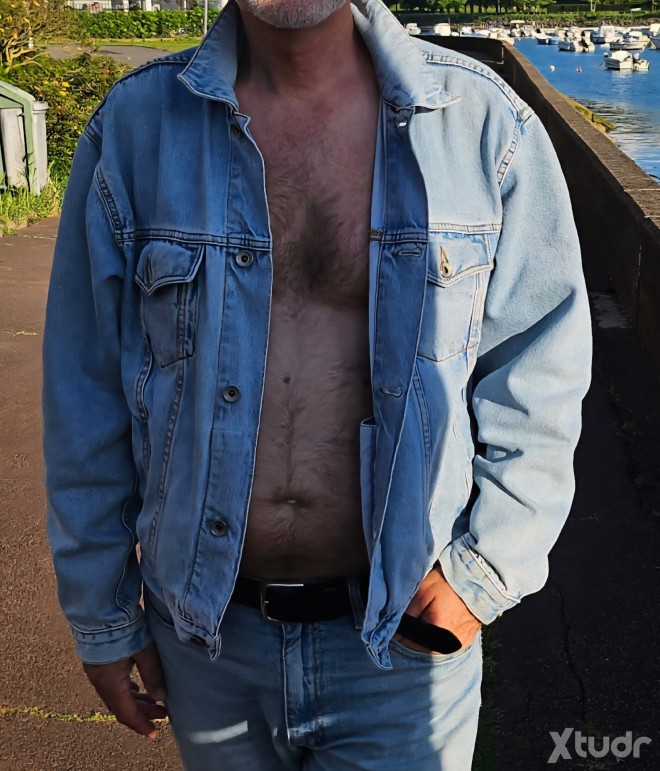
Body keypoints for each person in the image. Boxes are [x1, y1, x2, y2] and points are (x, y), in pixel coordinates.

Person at [42, 0, 592, 768]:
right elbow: (85, 391)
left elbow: (539, 371)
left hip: (400, 646)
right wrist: (101, 615)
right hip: (206, 643)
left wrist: (483, 572)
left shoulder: (483, 128)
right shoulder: (136, 130)